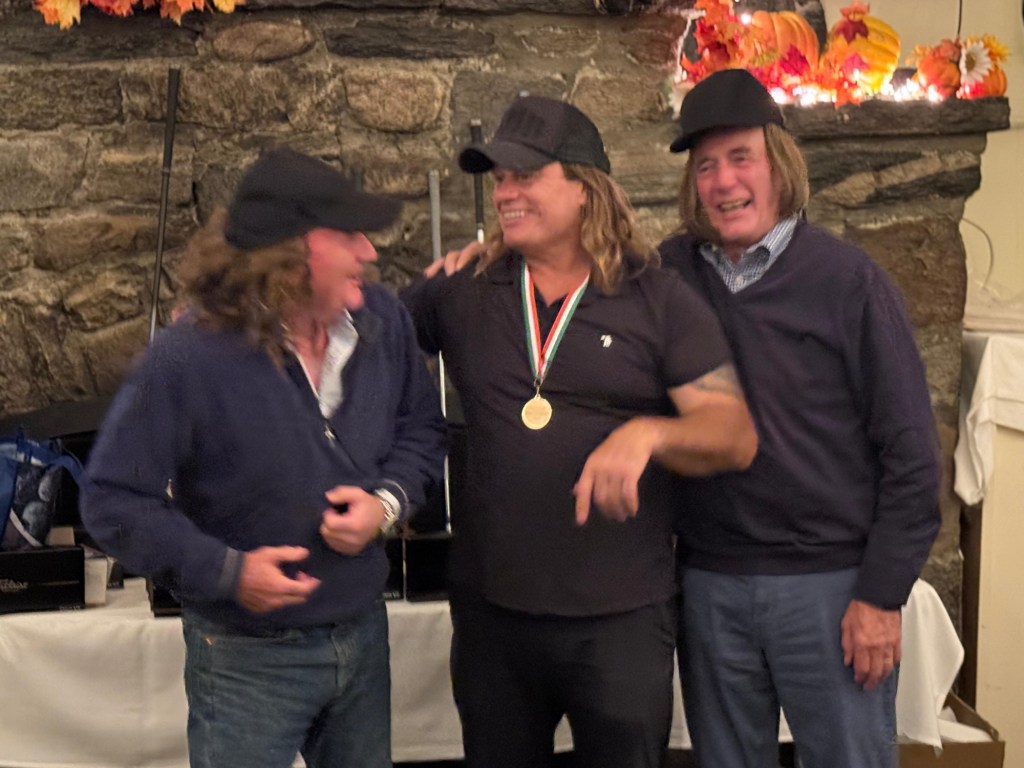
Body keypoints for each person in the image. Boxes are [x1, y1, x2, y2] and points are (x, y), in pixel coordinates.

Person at [402, 95, 758, 768]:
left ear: (585, 188)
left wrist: (647, 434)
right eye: (499, 179)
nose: (505, 193)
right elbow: (360, 347)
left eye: (525, 176)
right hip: (492, 617)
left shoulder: (655, 296)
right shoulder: (463, 287)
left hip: (619, 620)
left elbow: (733, 433)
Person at [80, 148, 446, 768]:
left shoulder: (382, 321)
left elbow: (421, 428)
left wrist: (386, 504)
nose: (370, 251)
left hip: (362, 633)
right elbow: (112, 500)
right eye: (349, 235)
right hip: (243, 658)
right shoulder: (187, 358)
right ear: (293, 253)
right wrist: (228, 572)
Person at [659, 68, 942, 768]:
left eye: (741, 158)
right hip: (710, 584)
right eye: (706, 166)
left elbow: (912, 455)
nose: (724, 182)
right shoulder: (666, 276)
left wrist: (880, 597)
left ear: (780, 165)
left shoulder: (849, 283)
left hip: (832, 588)